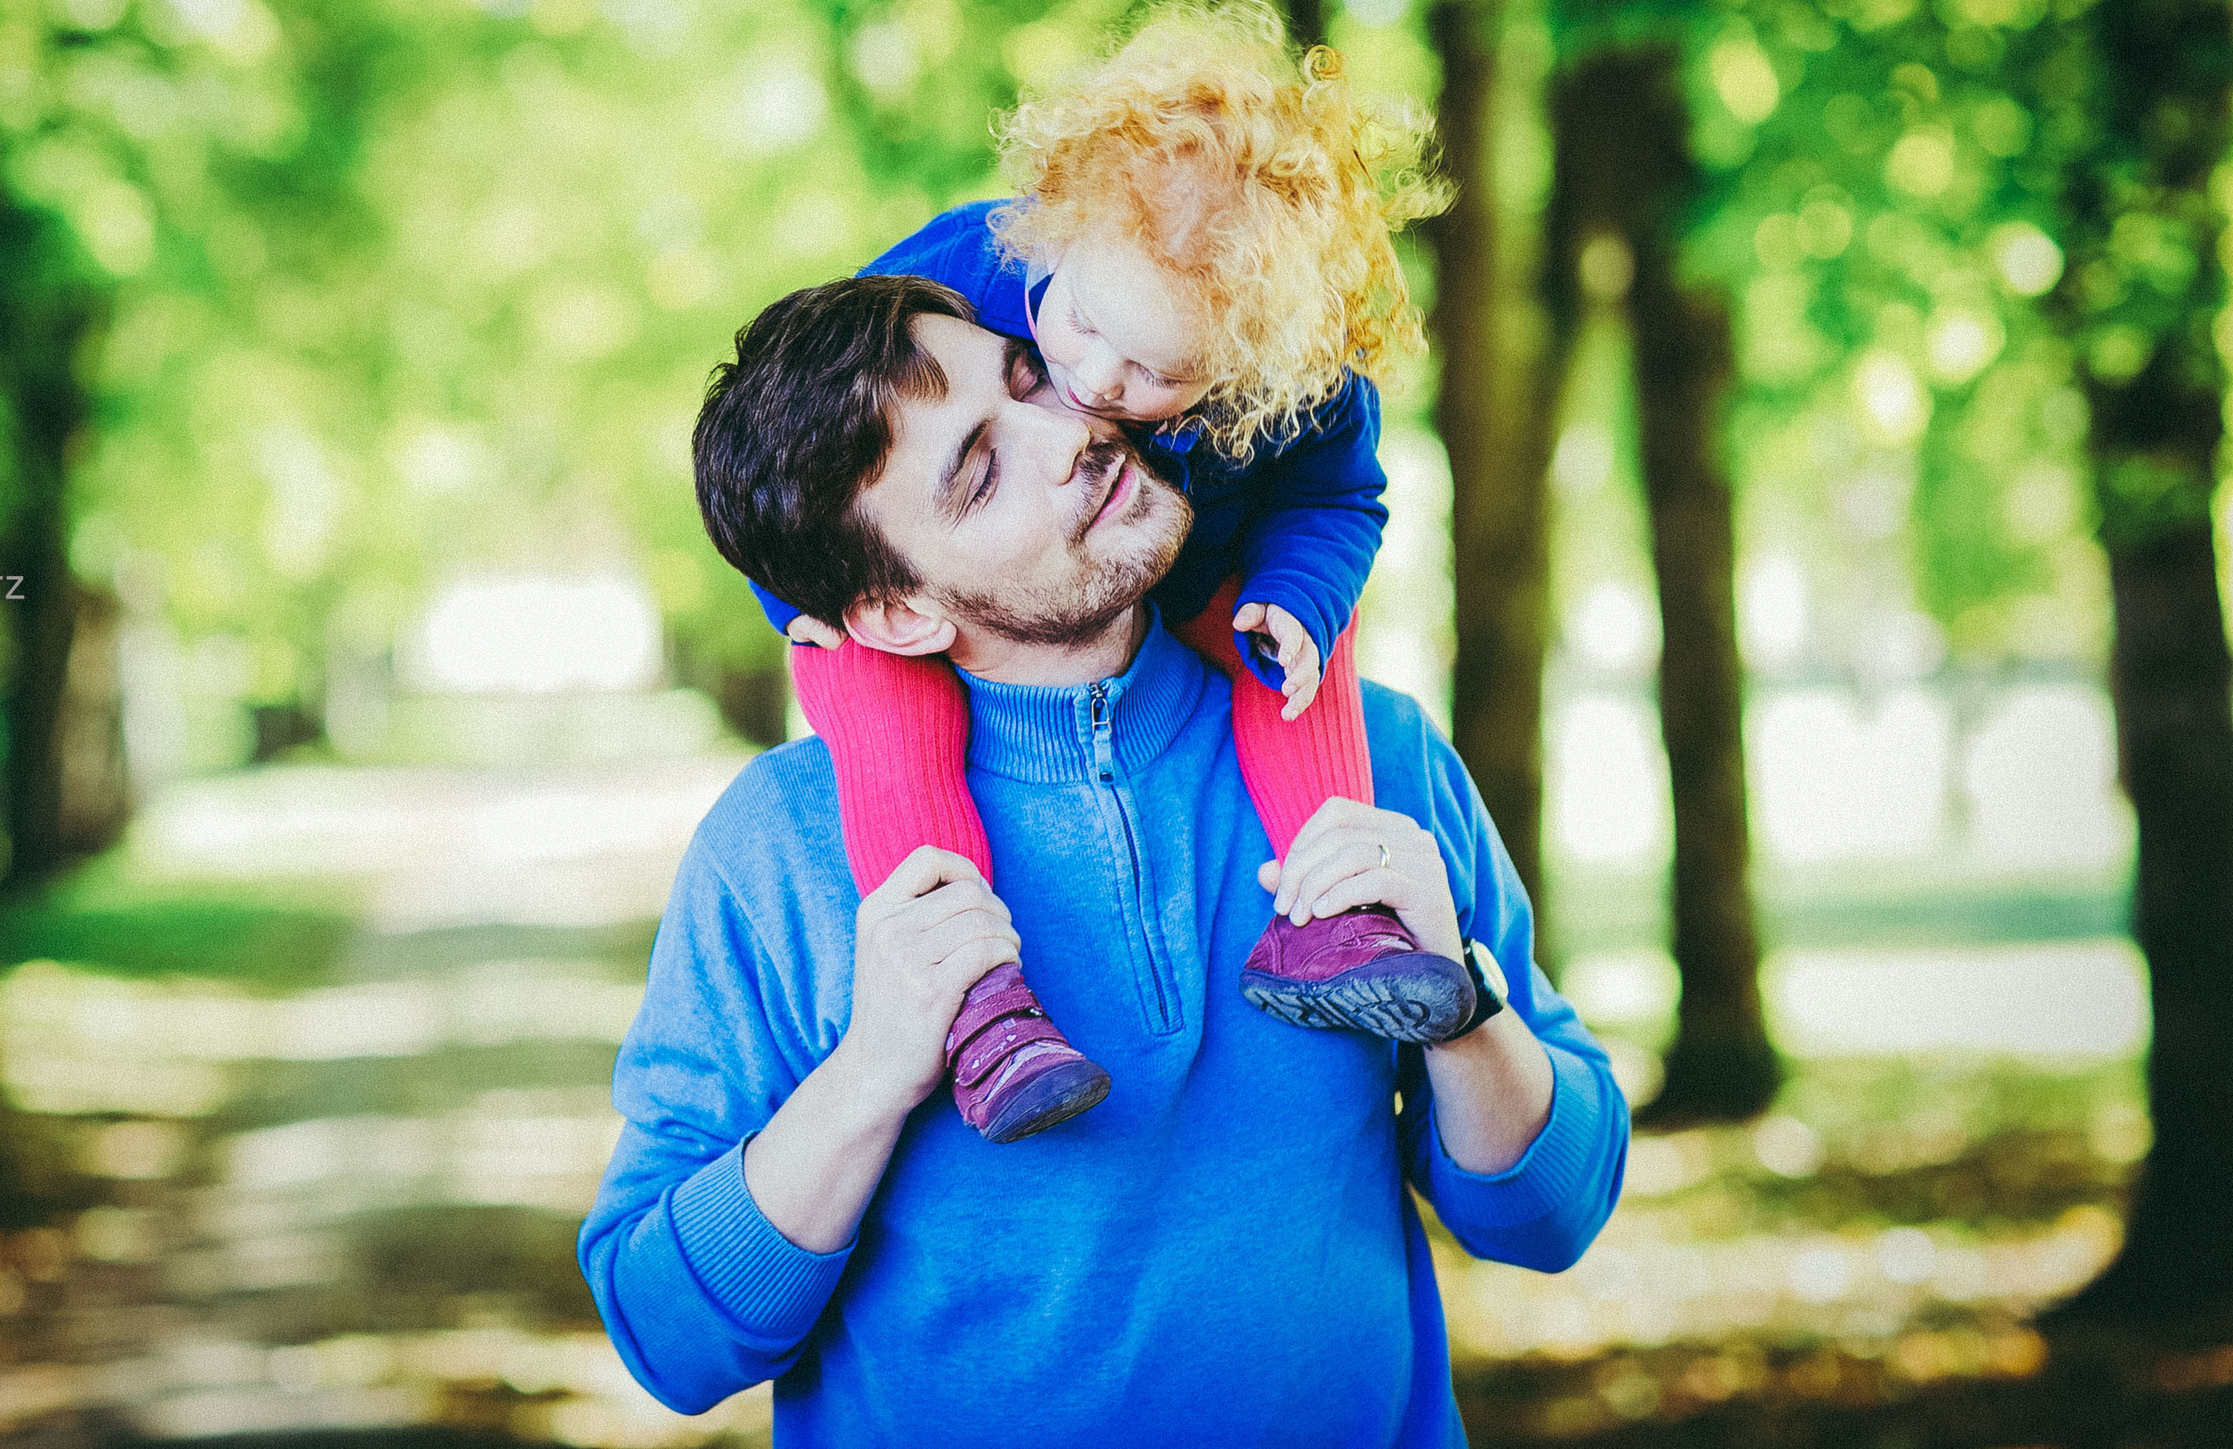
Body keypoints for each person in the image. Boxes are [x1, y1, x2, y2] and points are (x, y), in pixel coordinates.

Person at [578, 277, 1630, 1447]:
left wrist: (1464, 1003)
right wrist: (872, 1070)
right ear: (895, 614)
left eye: (1028, 378)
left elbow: (1553, 1218)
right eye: (978, 471)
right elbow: (668, 1341)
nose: (1070, 435)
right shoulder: (775, 845)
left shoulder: (1368, 751)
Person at [747, 0, 1463, 1143]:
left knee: (1298, 659)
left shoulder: (1305, 384)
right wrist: (807, 602)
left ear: (1257, 364)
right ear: (1056, 221)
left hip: (1193, 574)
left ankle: (1337, 912)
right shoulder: (952, 274)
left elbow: (1337, 499)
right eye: (1075, 327)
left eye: (1157, 373)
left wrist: (1299, 595)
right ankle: (974, 1005)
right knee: (879, 715)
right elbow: (792, 455)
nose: (1096, 387)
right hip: (914, 606)